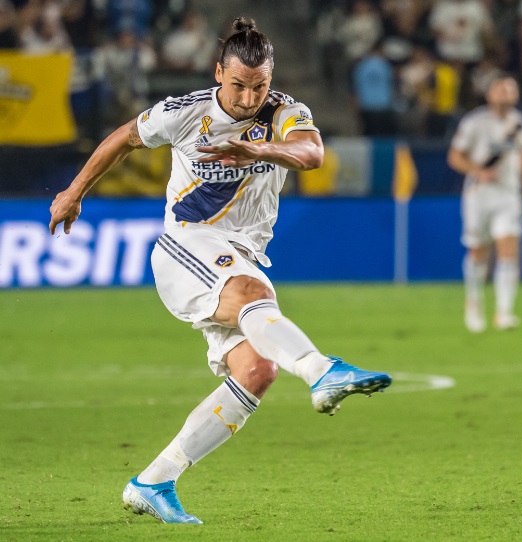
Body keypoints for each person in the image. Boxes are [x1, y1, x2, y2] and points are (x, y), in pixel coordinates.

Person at [48, 17, 392, 524]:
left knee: (257, 370)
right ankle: (321, 371)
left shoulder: (285, 112)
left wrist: (259, 149)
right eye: (238, 86)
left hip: (239, 252)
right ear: (218, 74)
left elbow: (312, 153)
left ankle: (154, 481)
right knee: (253, 293)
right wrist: (73, 192)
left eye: (260, 86)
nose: (250, 98)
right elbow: (123, 138)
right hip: (187, 244)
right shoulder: (183, 113)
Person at [446, 76, 522, 333]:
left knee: (508, 247)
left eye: (511, 90)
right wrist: (478, 171)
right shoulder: (474, 122)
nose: (506, 94)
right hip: (479, 194)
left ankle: (504, 312)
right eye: (501, 89)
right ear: (489, 94)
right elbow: (454, 156)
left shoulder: (521, 123)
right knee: (478, 250)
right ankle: (473, 303)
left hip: (508, 194)